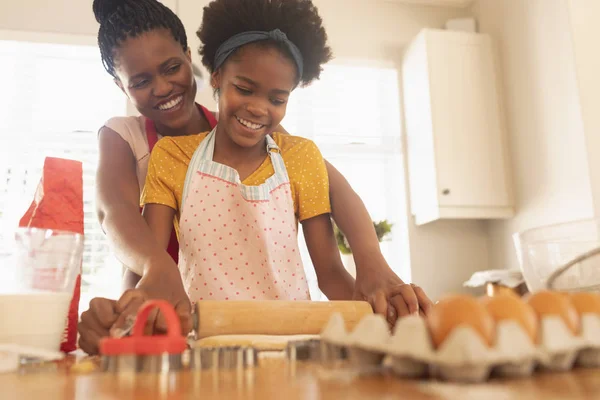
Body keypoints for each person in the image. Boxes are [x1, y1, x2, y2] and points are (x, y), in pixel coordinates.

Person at [78, 0, 433, 355]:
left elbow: (332, 188)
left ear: (190, 58)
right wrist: (139, 296)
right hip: (188, 317)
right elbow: (119, 216)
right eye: (141, 81)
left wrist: (372, 263)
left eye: (171, 67)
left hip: (283, 332)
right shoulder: (139, 143)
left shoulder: (253, 128)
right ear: (120, 85)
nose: (162, 87)